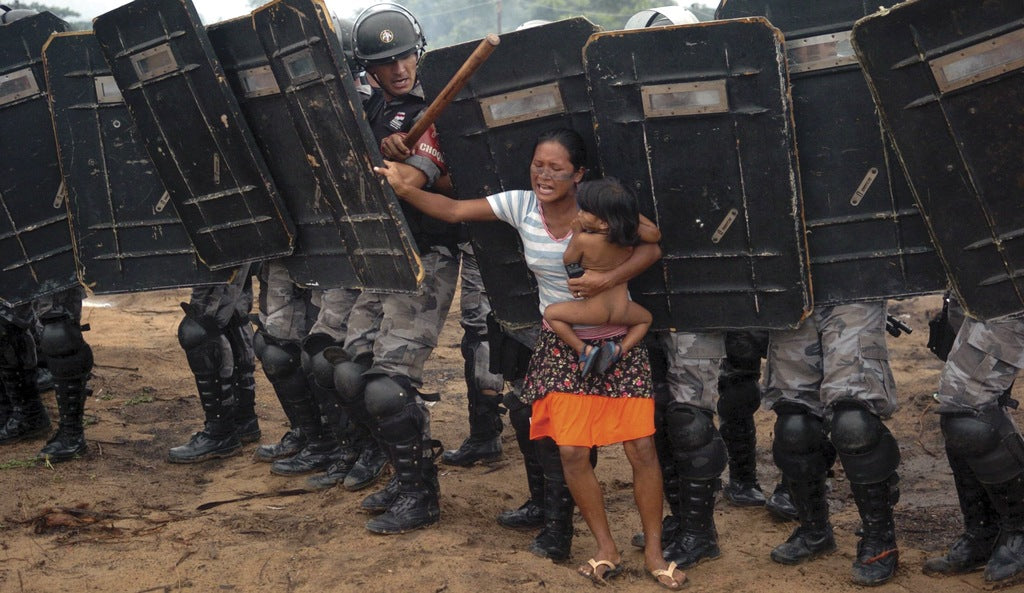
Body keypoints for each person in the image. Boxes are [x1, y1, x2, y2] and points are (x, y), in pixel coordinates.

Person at [375, 129, 685, 589]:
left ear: (578, 174)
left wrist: (606, 280)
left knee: (641, 448)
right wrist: (408, 188)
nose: (544, 175)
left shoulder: (601, 205)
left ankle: (655, 552)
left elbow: (652, 243)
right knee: (573, 452)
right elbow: (457, 209)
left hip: (619, 339)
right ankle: (606, 547)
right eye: (538, 164)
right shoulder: (520, 205)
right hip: (562, 346)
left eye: (557, 168)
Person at [330, 2, 462, 535]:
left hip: (427, 258)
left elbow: (423, 176)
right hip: (383, 256)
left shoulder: (439, 109)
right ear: (368, 69)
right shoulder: (370, 112)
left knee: (389, 386)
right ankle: (396, 469)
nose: (399, 69)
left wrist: (403, 166)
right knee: (349, 370)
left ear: (419, 52)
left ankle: (421, 494)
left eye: (404, 55)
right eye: (385, 62)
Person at [764, 301, 902, 586]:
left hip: (851, 288)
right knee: (794, 424)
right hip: (789, 295)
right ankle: (814, 531)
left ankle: (880, 538)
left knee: (854, 423)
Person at [921, 300, 1024, 587]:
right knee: (962, 414)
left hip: (1010, 289)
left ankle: (1018, 530)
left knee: (967, 412)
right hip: (979, 288)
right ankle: (984, 531)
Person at [542, 179, 658, 376]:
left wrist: (576, 234)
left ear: (604, 222)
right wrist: (621, 209)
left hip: (594, 311)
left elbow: (568, 260)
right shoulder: (628, 238)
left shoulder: (584, 240)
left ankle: (584, 350)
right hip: (622, 310)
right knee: (645, 320)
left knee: (550, 313)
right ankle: (620, 349)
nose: (579, 214)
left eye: (586, 211)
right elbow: (655, 235)